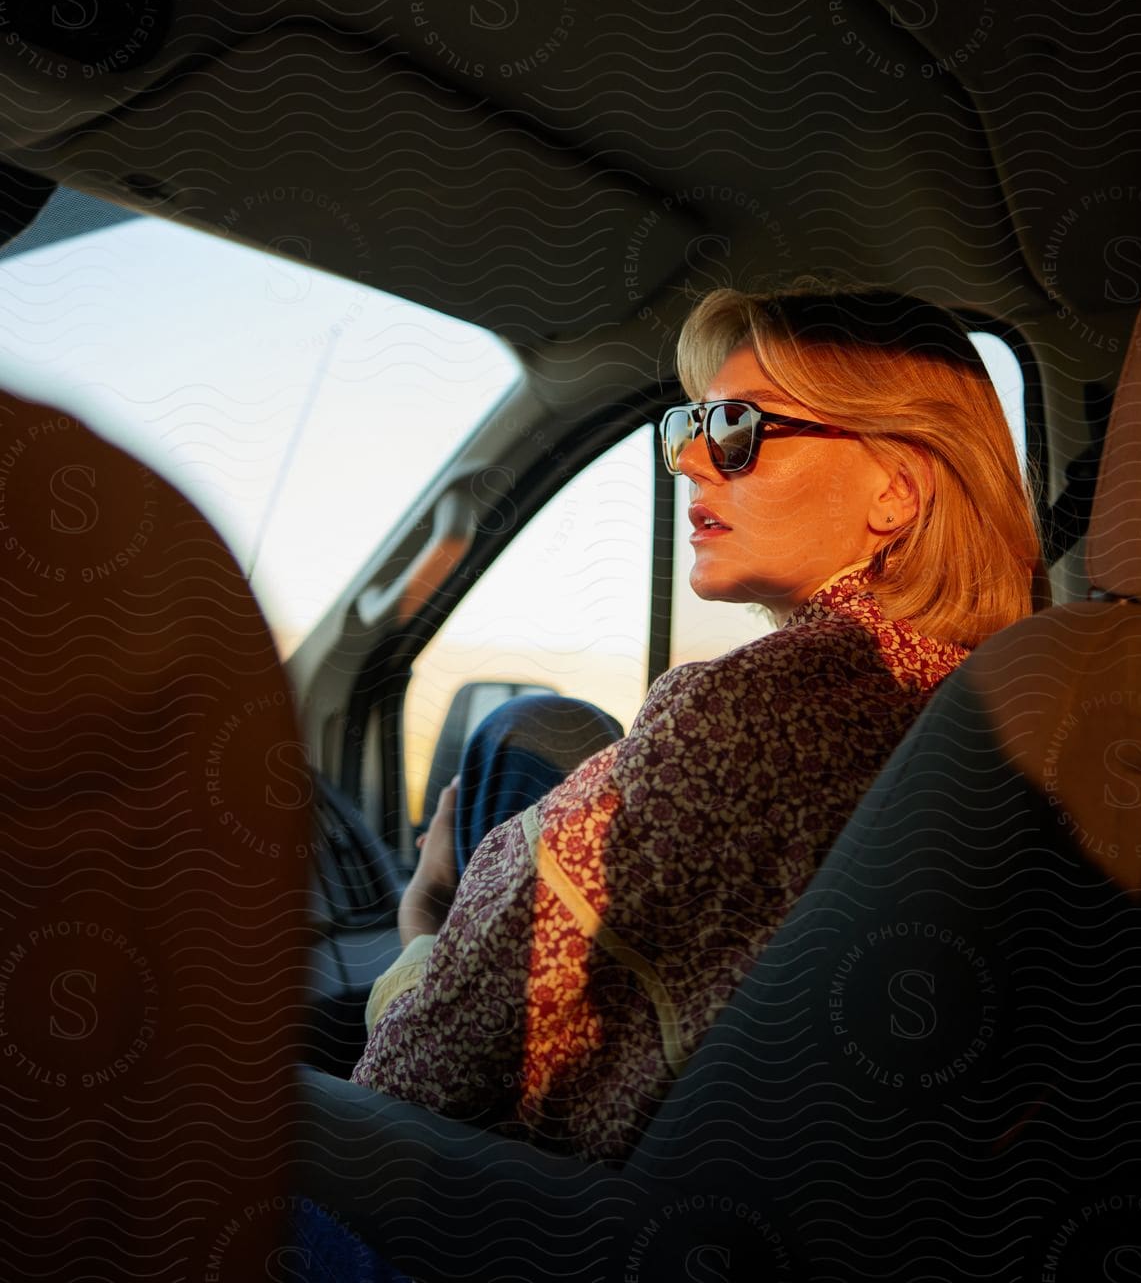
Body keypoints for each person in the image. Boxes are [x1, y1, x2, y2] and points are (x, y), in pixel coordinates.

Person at [350, 279, 1046, 1169]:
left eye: (736, 432)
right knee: (543, 730)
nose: (687, 462)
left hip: (568, 1218)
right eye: (689, 429)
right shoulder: (1010, 693)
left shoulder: (748, 713)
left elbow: (412, 1078)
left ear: (896, 495)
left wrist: (422, 929)